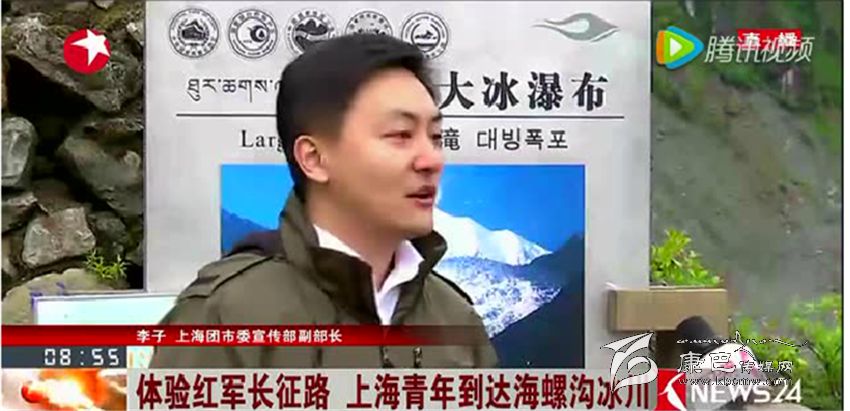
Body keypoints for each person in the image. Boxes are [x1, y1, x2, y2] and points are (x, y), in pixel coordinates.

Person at [149, 33, 498, 368]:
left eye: (436, 137)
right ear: (314, 158)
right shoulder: (224, 316)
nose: (432, 160)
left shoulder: (456, 320)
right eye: (400, 135)